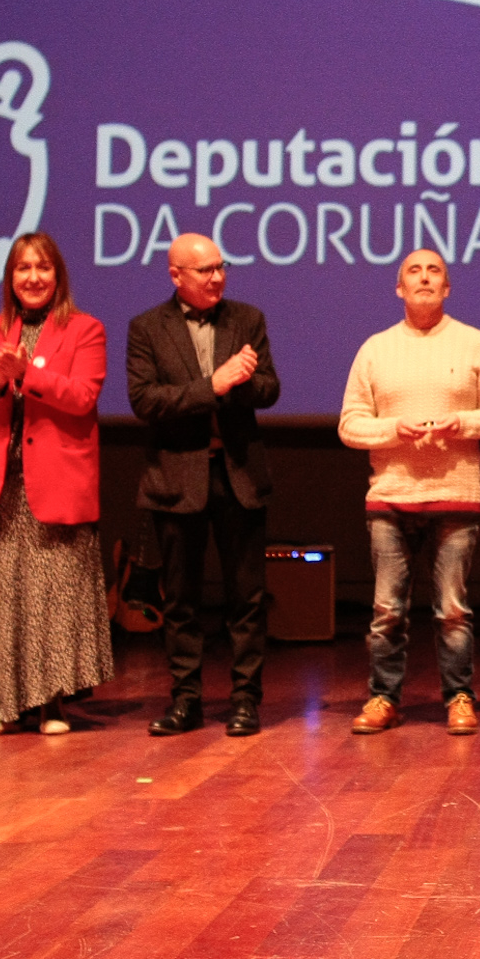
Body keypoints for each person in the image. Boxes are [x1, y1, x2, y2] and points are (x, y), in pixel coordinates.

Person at [338, 250, 480, 736]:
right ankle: (382, 698)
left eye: (435, 271)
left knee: (453, 610)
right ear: (399, 289)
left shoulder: (477, 344)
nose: (425, 277)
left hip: (455, 494)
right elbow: (349, 425)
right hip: (391, 497)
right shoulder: (375, 349)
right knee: (386, 611)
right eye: (414, 271)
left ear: (447, 288)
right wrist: (394, 429)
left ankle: (459, 697)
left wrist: (462, 423)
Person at [0, 233, 113, 739]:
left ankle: (51, 703)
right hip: (1, 485)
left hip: (57, 482)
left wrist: (30, 375)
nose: (33, 277)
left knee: (52, 600)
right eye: (23, 268)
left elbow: (83, 397)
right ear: (10, 278)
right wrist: (0, 381)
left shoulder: (85, 329)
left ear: (57, 275)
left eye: (42, 267)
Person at [126, 233, 281, 738]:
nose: (217, 277)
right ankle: (185, 701)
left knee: (247, 599)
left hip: (238, 475)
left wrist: (242, 382)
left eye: (221, 266)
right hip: (177, 477)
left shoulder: (247, 319)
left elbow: (270, 389)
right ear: (176, 275)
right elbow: (145, 401)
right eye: (205, 270)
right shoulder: (147, 327)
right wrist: (213, 385)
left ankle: (245, 701)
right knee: (180, 601)